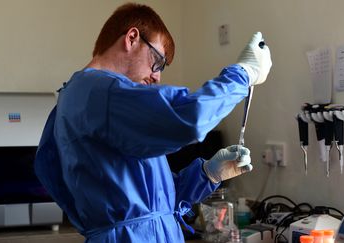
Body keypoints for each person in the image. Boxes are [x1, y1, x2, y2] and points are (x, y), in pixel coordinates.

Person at [34, 2, 272, 243]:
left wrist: (208, 174)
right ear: (132, 38)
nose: (157, 76)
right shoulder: (100, 92)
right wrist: (243, 74)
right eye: (157, 61)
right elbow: (190, 118)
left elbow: (152, 200)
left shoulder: (78, 99)